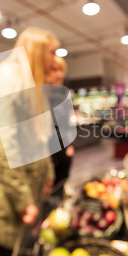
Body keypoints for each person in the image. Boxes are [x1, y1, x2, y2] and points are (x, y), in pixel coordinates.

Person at [0, 27, 58, 256]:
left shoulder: (30, 81)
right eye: (51, 52)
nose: (55, 59)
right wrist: (23, 200)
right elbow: (4, 146)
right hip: (6, 196)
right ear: (37, 51)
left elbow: (39, 138)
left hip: (25, 191)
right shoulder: (9, 79)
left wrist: (48, 173)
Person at [46, 56, 75, 190]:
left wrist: (70, 145)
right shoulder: (39, 96)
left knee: (61, 183)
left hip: (63, 148)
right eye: (55, 69)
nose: (60, 74)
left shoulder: (63, 94)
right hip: (46, 151)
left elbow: (68, 122)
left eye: (61, 70)